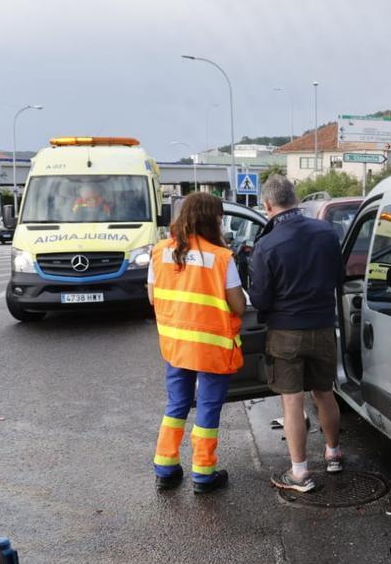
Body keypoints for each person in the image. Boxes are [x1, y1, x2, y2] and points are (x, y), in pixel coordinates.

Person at [248, 176, 345, 493]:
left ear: (267, 205)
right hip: (323, 327)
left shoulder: (267, 244)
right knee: (324, 392)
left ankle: (300, 473)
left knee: (291, 403)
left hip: (286, 332)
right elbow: (339, 277)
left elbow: (260, 298)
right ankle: (333, 454)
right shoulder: (327, 233)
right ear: (296, 198)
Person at [146, 192, 245, 494]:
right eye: (219, 215)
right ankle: (203, 474)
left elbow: (152, 297)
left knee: (176, 404)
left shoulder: (161, 252)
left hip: (176, 345)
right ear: (210, 219)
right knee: (207, 408)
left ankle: (165, 468)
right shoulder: (221, 258)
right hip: (211, 347)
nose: (221, 220)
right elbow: (239, 305)